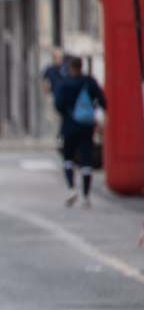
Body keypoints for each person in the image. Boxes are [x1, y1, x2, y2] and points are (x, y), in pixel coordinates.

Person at [53, 56, 107, 207]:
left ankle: (71, 188)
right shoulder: (90, 81)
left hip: (69, 126)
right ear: (81, 66)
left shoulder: (64, 83)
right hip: (86, 126)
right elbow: (102, 101)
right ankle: (86, 195)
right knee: (86, 159)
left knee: (68, 158)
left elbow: (58, 105)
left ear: (70, 67)